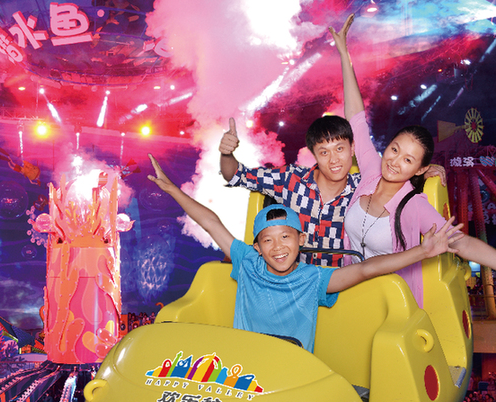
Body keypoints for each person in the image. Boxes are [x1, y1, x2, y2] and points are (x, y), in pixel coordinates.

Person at [147, 154, 462, 351]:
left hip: (292, 373)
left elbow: (367, 269)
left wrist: (422, 250)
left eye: (285, 237)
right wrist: (173, 190)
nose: (278, 247)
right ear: (256, 247)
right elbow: (210, 222)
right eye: (268, 240)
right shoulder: (247, 262)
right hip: (244, 371)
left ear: (301, 240)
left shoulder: (314, 278)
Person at [332, 13, 496, 308]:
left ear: (420, 169)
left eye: (408, 160)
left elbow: (461, 243)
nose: (395, 161)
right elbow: (355, 117)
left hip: (392, 306)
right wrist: (344, 53)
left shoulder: (414, 205)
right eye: (394, 150)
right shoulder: (370, 171)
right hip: (351, 297)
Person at [220, 114, 446, 267]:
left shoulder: (364, 187)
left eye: (340, 149)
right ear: (314, 154)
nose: (334, 159)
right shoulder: (291, 179)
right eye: (324, 152)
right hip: (294, 281)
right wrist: (227, 154)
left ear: (352, 149)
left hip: (341, 285)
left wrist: (421, 171)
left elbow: (395, 177)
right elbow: (236, 175)